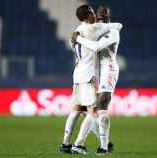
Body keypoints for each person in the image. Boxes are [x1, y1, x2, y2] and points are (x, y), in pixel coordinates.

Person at [59, 4, 122, 155]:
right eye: (94, 12)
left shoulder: (76, 31)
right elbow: (117, 26)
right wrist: (107, 21)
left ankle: (65, 143)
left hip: (77, 75)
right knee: (94, 111)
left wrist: (77, 38)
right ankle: (81, 144)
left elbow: (75, 43)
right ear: (88, 15)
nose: (96, 15)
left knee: (76, 111)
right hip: (88, 76)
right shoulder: (92, 29)